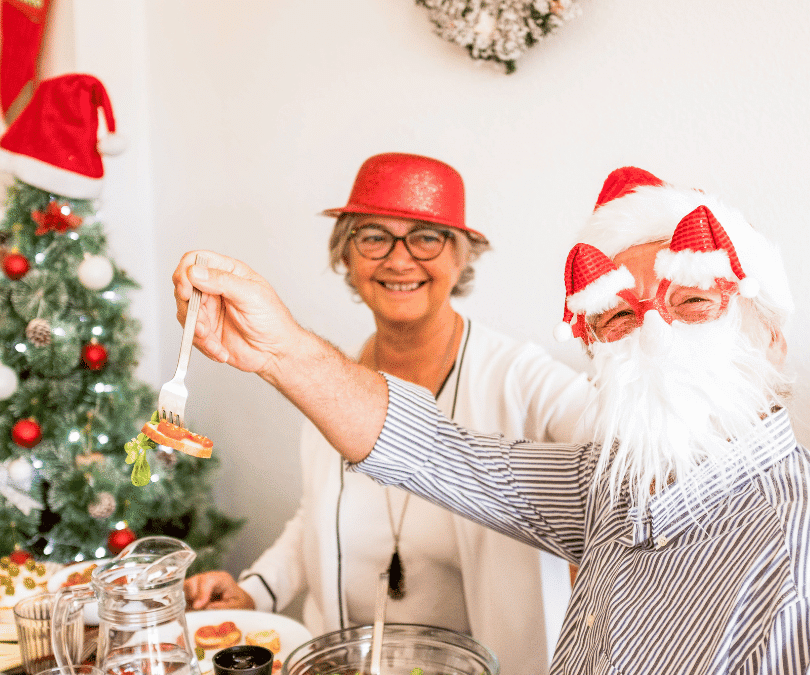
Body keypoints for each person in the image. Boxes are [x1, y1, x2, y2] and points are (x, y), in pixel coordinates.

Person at [173, 166, 809, 674]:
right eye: (618, 317)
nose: (653, 336)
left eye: (694, 302)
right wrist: (282, 351)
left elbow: (594, 419)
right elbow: (433, 458)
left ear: (772, 335)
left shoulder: (792, 561)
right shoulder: (607, 487)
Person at [183, 152, 593, 675]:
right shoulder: (333, 376)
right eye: (374, 237)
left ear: (461, 257)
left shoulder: (522, 377)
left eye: (426, 237)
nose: (399, 261)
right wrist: (254, 590)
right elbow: (315, 516)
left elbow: (620, 443)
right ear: (347, 258)